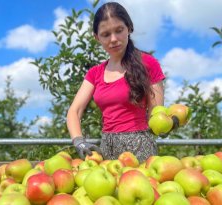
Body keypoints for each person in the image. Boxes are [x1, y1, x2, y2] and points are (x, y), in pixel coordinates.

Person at [66, 2, 165, 163]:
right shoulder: (95, 73)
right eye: (105, 34)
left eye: (119, 30)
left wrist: (166, 125)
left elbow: (156, 113)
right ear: (97, 37)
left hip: (140, 148)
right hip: (106, 148)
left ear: (129, 28)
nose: (113, 39)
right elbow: (74, 111)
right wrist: (79, 141)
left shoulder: (148, 63)